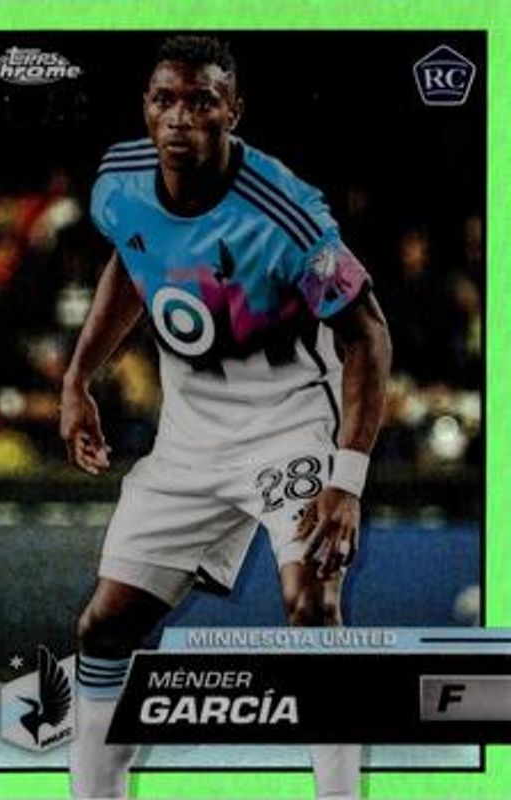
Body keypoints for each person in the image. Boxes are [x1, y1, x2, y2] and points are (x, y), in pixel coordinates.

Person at [60, 35, 392, 800]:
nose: (180, 117)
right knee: (101, 629)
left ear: (233, 112)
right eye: (165, 100)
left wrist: (347, 479)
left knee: (312, 604)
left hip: (288, 427)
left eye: (201, 101)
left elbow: (368, 335)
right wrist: (79, 377)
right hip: (187, 441)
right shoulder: (118, 182)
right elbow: (132, 261)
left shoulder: (286, 214)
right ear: (146, 109)